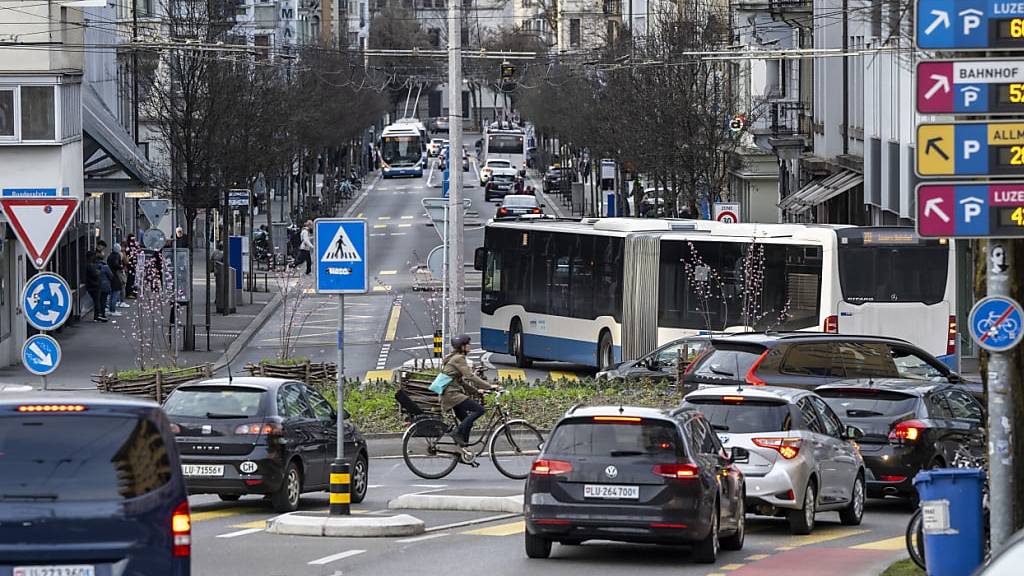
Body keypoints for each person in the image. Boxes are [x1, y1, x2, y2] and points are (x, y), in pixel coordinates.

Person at [439, 334, 499, 446]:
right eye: (468, 344)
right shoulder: (459, 358)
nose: (470, 346)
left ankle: (463, 448)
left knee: (467, 422)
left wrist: (476, 392)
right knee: (480, 410)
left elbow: (461, 381)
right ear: (462, 347)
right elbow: (470, 376)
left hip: (449, 394)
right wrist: (489, 386)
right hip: (451, 395)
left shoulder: (454, 357)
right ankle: (456, 432)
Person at [84, 250, 107, 323]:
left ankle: (97, 316)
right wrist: (98, 271)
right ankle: (97, 316)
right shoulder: (89, 265)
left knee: (97, 301)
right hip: (94, 286)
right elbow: (95, 274)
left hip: (93, 285)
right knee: (97, 301)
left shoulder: (90, 264)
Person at [107, 243, 128, 315]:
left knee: (112, 293)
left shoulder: (110, 256)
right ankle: (113, 310)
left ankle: (111, 309)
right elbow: (116, 265)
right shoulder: (116, 256)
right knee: (116, 292)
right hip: (115, 276)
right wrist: (121, 267)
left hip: (111, 276)